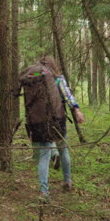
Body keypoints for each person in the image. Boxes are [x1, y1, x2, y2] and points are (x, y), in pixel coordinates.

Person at [34, 56, 85, 202]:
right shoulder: (57, 78)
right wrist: (76, 110)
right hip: (57, 121)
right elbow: (68, 96)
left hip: (39, 123)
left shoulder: (36, 79)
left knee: (44, 156)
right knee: (64, 150)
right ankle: (67, 181)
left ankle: (44, 192)